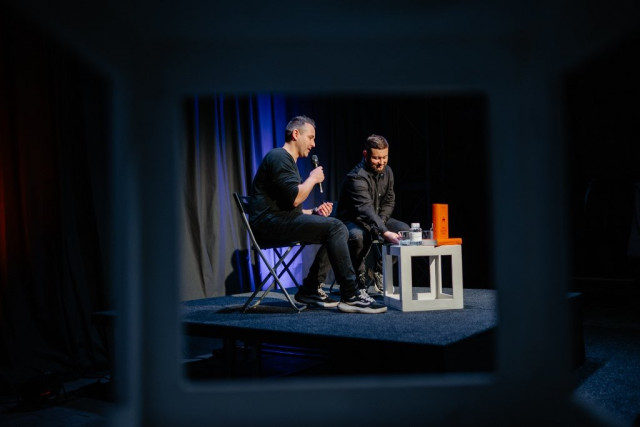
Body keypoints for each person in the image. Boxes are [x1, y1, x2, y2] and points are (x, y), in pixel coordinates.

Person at [249, 116, 386, 314]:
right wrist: (312, 178)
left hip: (277, 220)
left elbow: (289, 207)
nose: (313, 144)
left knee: (334, 224)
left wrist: (313, 212)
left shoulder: (286, 161)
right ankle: (351, 294)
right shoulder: (279, 156)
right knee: (335, 227)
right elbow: (296, 198)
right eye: (311, 137)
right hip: (268, 225)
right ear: (296, 134)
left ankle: (311, 289)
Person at [303, 134, 409, 294]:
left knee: (404, 231)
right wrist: (384, 231)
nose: (381, 162)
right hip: (352, 220)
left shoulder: (388, 171)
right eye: (377, 158)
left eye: (384, 157)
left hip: (376, 218)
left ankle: (379, 271)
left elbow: (389, 201)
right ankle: (358, 279)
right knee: (359, 235)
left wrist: (381, 223)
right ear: (365, 154)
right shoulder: (356, 177)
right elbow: (365, 209)